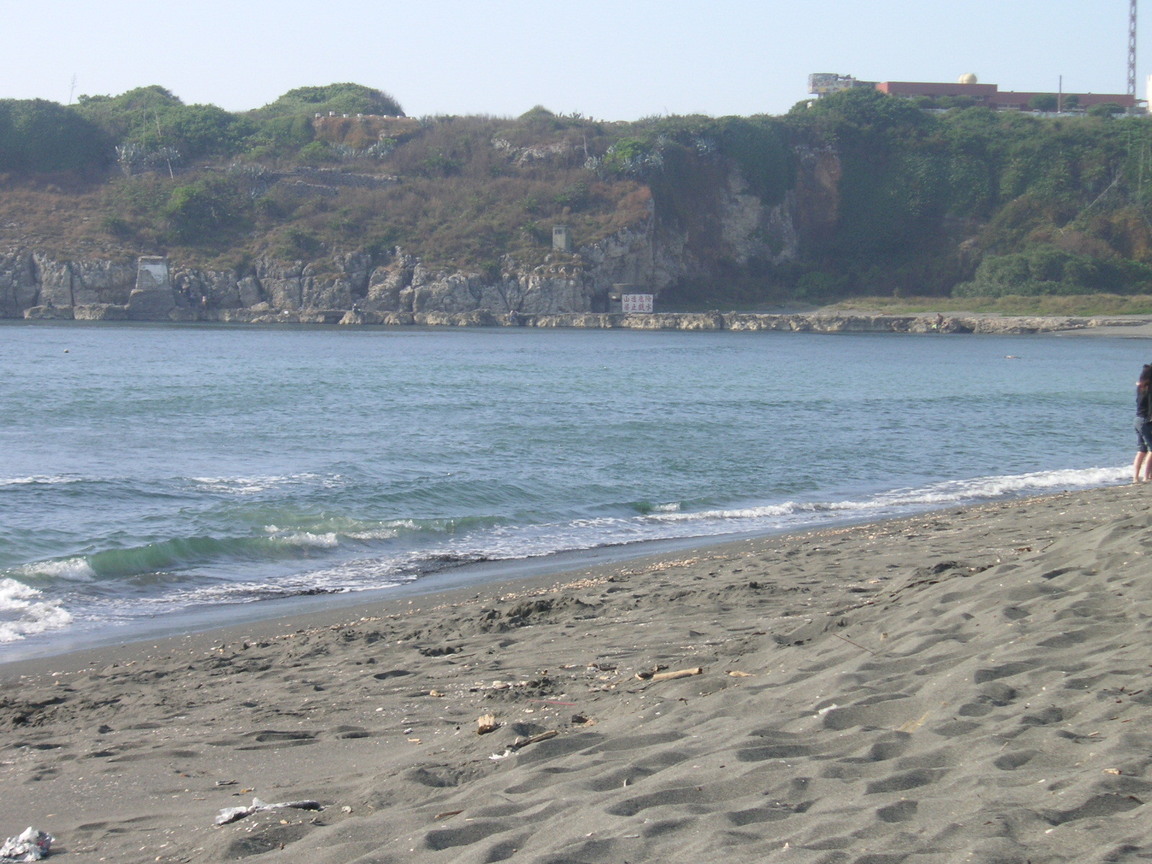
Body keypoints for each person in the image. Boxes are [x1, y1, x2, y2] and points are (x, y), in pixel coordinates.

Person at [1134, 364, 1152, 482]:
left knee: (1142, 450)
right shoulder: (1149, 389)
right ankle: (1147, 477)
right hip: (1146, 420)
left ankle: (1135, 478)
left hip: (1137, 419)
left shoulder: (1140, 387)